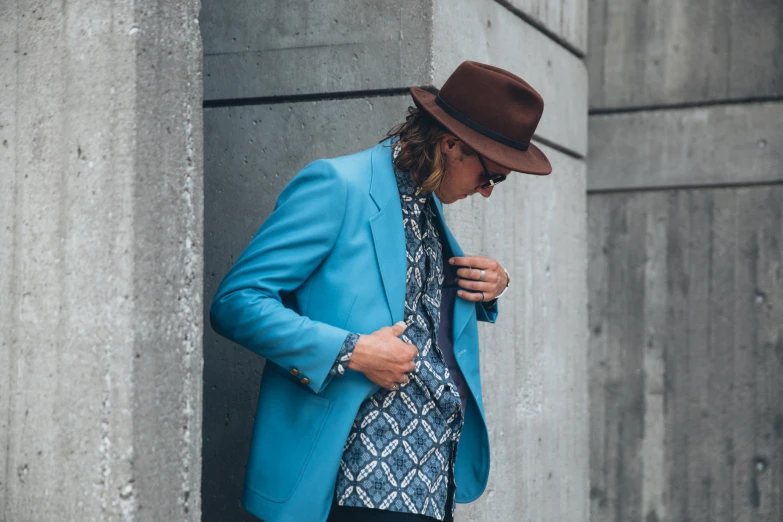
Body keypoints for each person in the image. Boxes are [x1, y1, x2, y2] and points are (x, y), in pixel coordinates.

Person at [210, 60, 552, 522]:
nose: (488, 191)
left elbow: (419, 307)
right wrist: (350, 352)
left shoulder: (428, 205)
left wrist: (493, 287)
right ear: (451, 144)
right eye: (489, 175)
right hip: (354, 476)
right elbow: (236, 302)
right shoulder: (339, 186)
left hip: (431, 478)